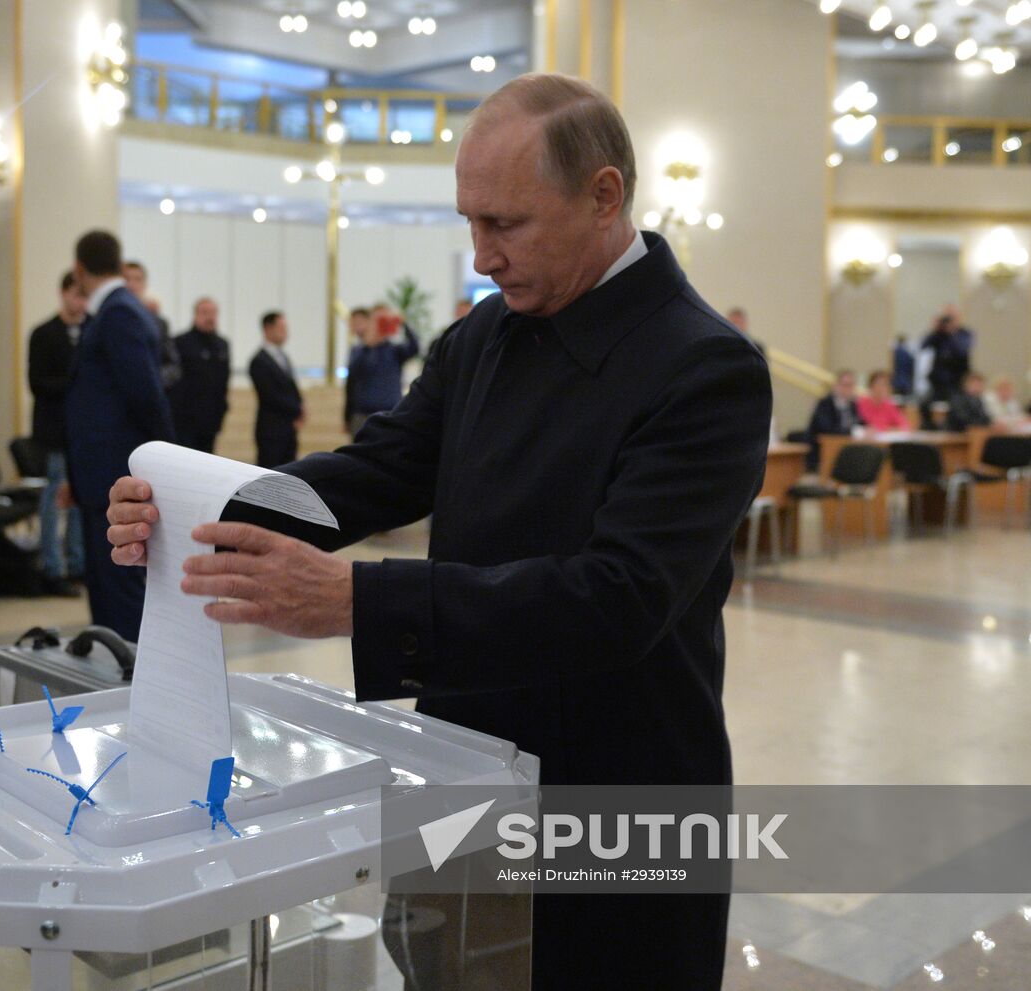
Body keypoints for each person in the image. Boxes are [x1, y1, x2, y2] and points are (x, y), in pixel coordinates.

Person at [108, 73, 771, 989]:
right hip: (461, 760)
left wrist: (355, 600)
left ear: (604, 195)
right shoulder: (486, 334)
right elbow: (380, 468)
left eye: (505, 224)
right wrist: (202, 509)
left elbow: (620, 598)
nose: (480, 256)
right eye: (470, 222)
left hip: (615, 784)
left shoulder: (705, 367)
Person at [64, 229, 175, 641]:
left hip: (115, 473)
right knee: (104, 587)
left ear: (79, 268)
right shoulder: (113, 310)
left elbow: (146, 396)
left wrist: (162, 465)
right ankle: (114, 668)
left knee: (119, 588)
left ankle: (129, 673)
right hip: (100, 474)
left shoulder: (119, 313)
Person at [27, 271, 86, 597]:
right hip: (54, 432)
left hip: (82, 434)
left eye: (84, 296)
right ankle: (52, 566)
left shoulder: (91, 331)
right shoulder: (44, 334)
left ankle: (78, 564)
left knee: (80, 501)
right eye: (76, 295)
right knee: (54, 501)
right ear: (63, 294)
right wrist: (76, 385)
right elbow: (37, 383)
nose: (80, 302)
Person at [343, 303, 419, 436]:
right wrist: (369, 343)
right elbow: (354, 374)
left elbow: (415, 348)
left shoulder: (394, 350)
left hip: (390, 412)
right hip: (363, 413)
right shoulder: (359, 350)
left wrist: (402, 323)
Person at [168, 297, 229, 453]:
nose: (210, 317)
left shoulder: (222, 345)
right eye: (205, 313)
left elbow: (223, 381)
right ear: (195, 315)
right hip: (185, 421)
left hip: (211, 420)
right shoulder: (180, 342)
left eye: (213, 313)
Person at [248, 310, 304, 467]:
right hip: (271, 429)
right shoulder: (259, 361)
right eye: (282, 328)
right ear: (268, 328)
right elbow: (270, 395)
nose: (286, 333)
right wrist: (296, 408)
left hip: (288, 428)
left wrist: (300, 407)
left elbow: (291, 387)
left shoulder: (284, 357)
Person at [123, 260, 181, 390]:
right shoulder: (107, 318)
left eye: (137, 279)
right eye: (126, 279)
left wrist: (152, 379)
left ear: (144, 284)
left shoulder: (159, 324)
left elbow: (173, 366)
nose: (131, 284)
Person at [805, 369, 864, 470]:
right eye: (845, 385)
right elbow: (827, 429)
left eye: (851, 385)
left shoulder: (852, 404)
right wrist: (853, 431)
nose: (848, 389)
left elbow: (861, 422)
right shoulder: (825, 404)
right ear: (836, 386)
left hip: (848, 447)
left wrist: (867, 429)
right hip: (823, 451)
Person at [920, 305, 974, 402]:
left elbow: (961, 351)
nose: (949, 320)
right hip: (938, 381)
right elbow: (923, 346)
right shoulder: (938, 334)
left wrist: (952, 332)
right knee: (926, 405)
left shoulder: (965, 334)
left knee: (956, 408)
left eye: (952, 317)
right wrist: (934, 330)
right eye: (947, 317)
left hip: (957, 381)